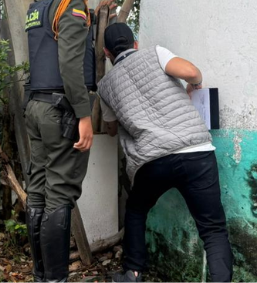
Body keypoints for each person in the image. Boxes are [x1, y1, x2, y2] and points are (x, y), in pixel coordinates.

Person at [97, 23, 233, 282]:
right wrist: (196, 85)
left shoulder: (105, 86)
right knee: (213, 229)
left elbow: (112, 129)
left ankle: (133, 272)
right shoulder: (154, 53)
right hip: (196, 152)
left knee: (136, 210)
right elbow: (191, 72)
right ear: (135, 43)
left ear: (107, 53)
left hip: (152, 160)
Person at [24, 0, 117, 282]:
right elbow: (71, 65)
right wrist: (83, 115)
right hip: (61, 111)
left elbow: (36, 58)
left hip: (35, 105)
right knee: (60, 193)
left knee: (38, 190)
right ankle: (56, 279)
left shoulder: (39, 6)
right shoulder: (74, 7)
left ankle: (41, 275)